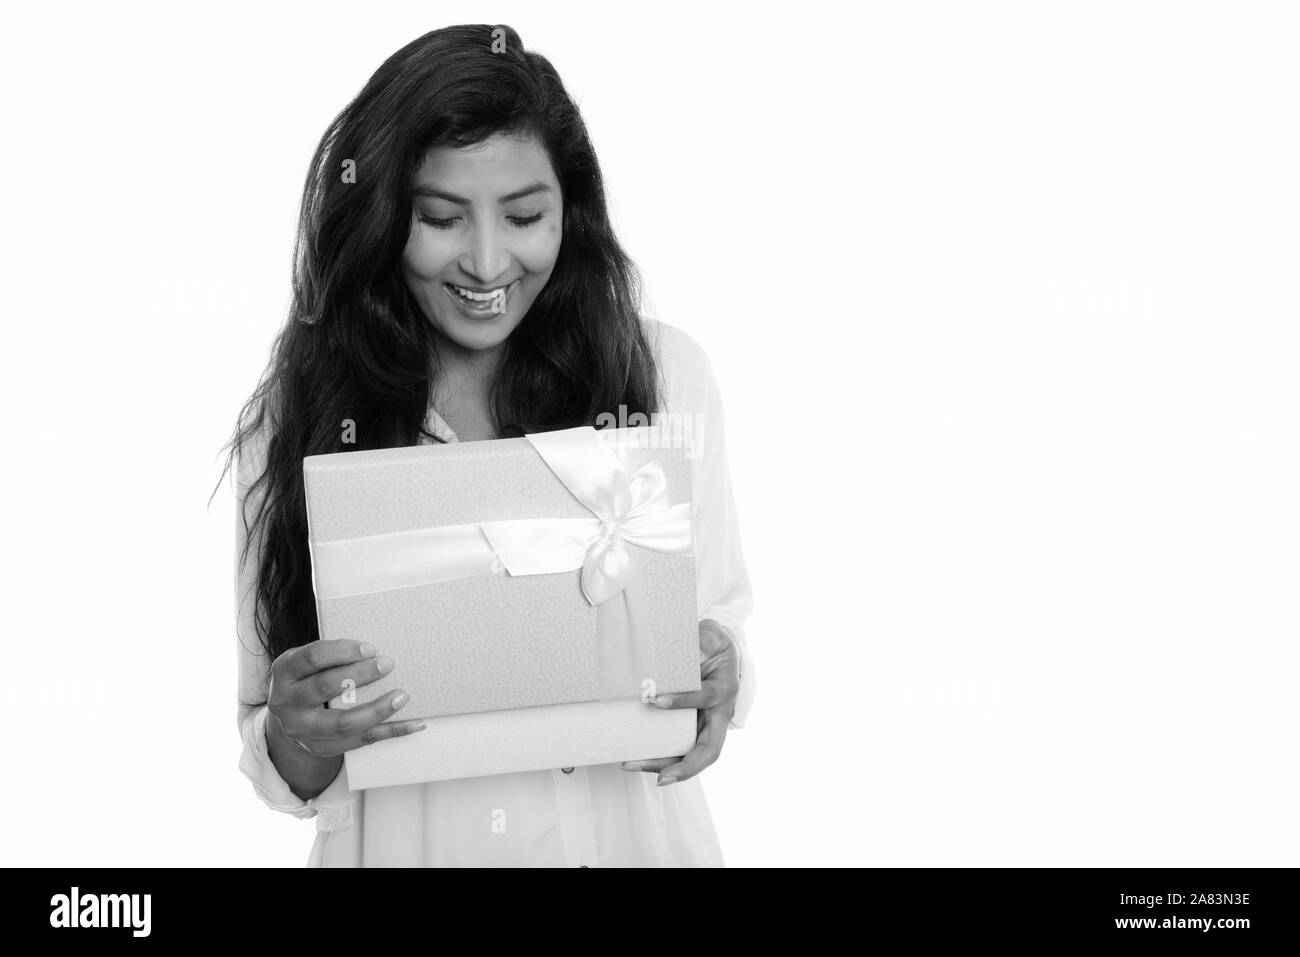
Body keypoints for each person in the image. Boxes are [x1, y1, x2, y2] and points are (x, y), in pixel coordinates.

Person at [221, 24, 755, 867]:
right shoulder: (298, 416)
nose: (485, 261)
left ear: (569, 213)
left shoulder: (663, 376)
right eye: (438, 217)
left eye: (524, 215)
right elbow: (280, 759)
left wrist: (721, 680)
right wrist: (300, 728)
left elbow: (718, 625)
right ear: (383, 216)